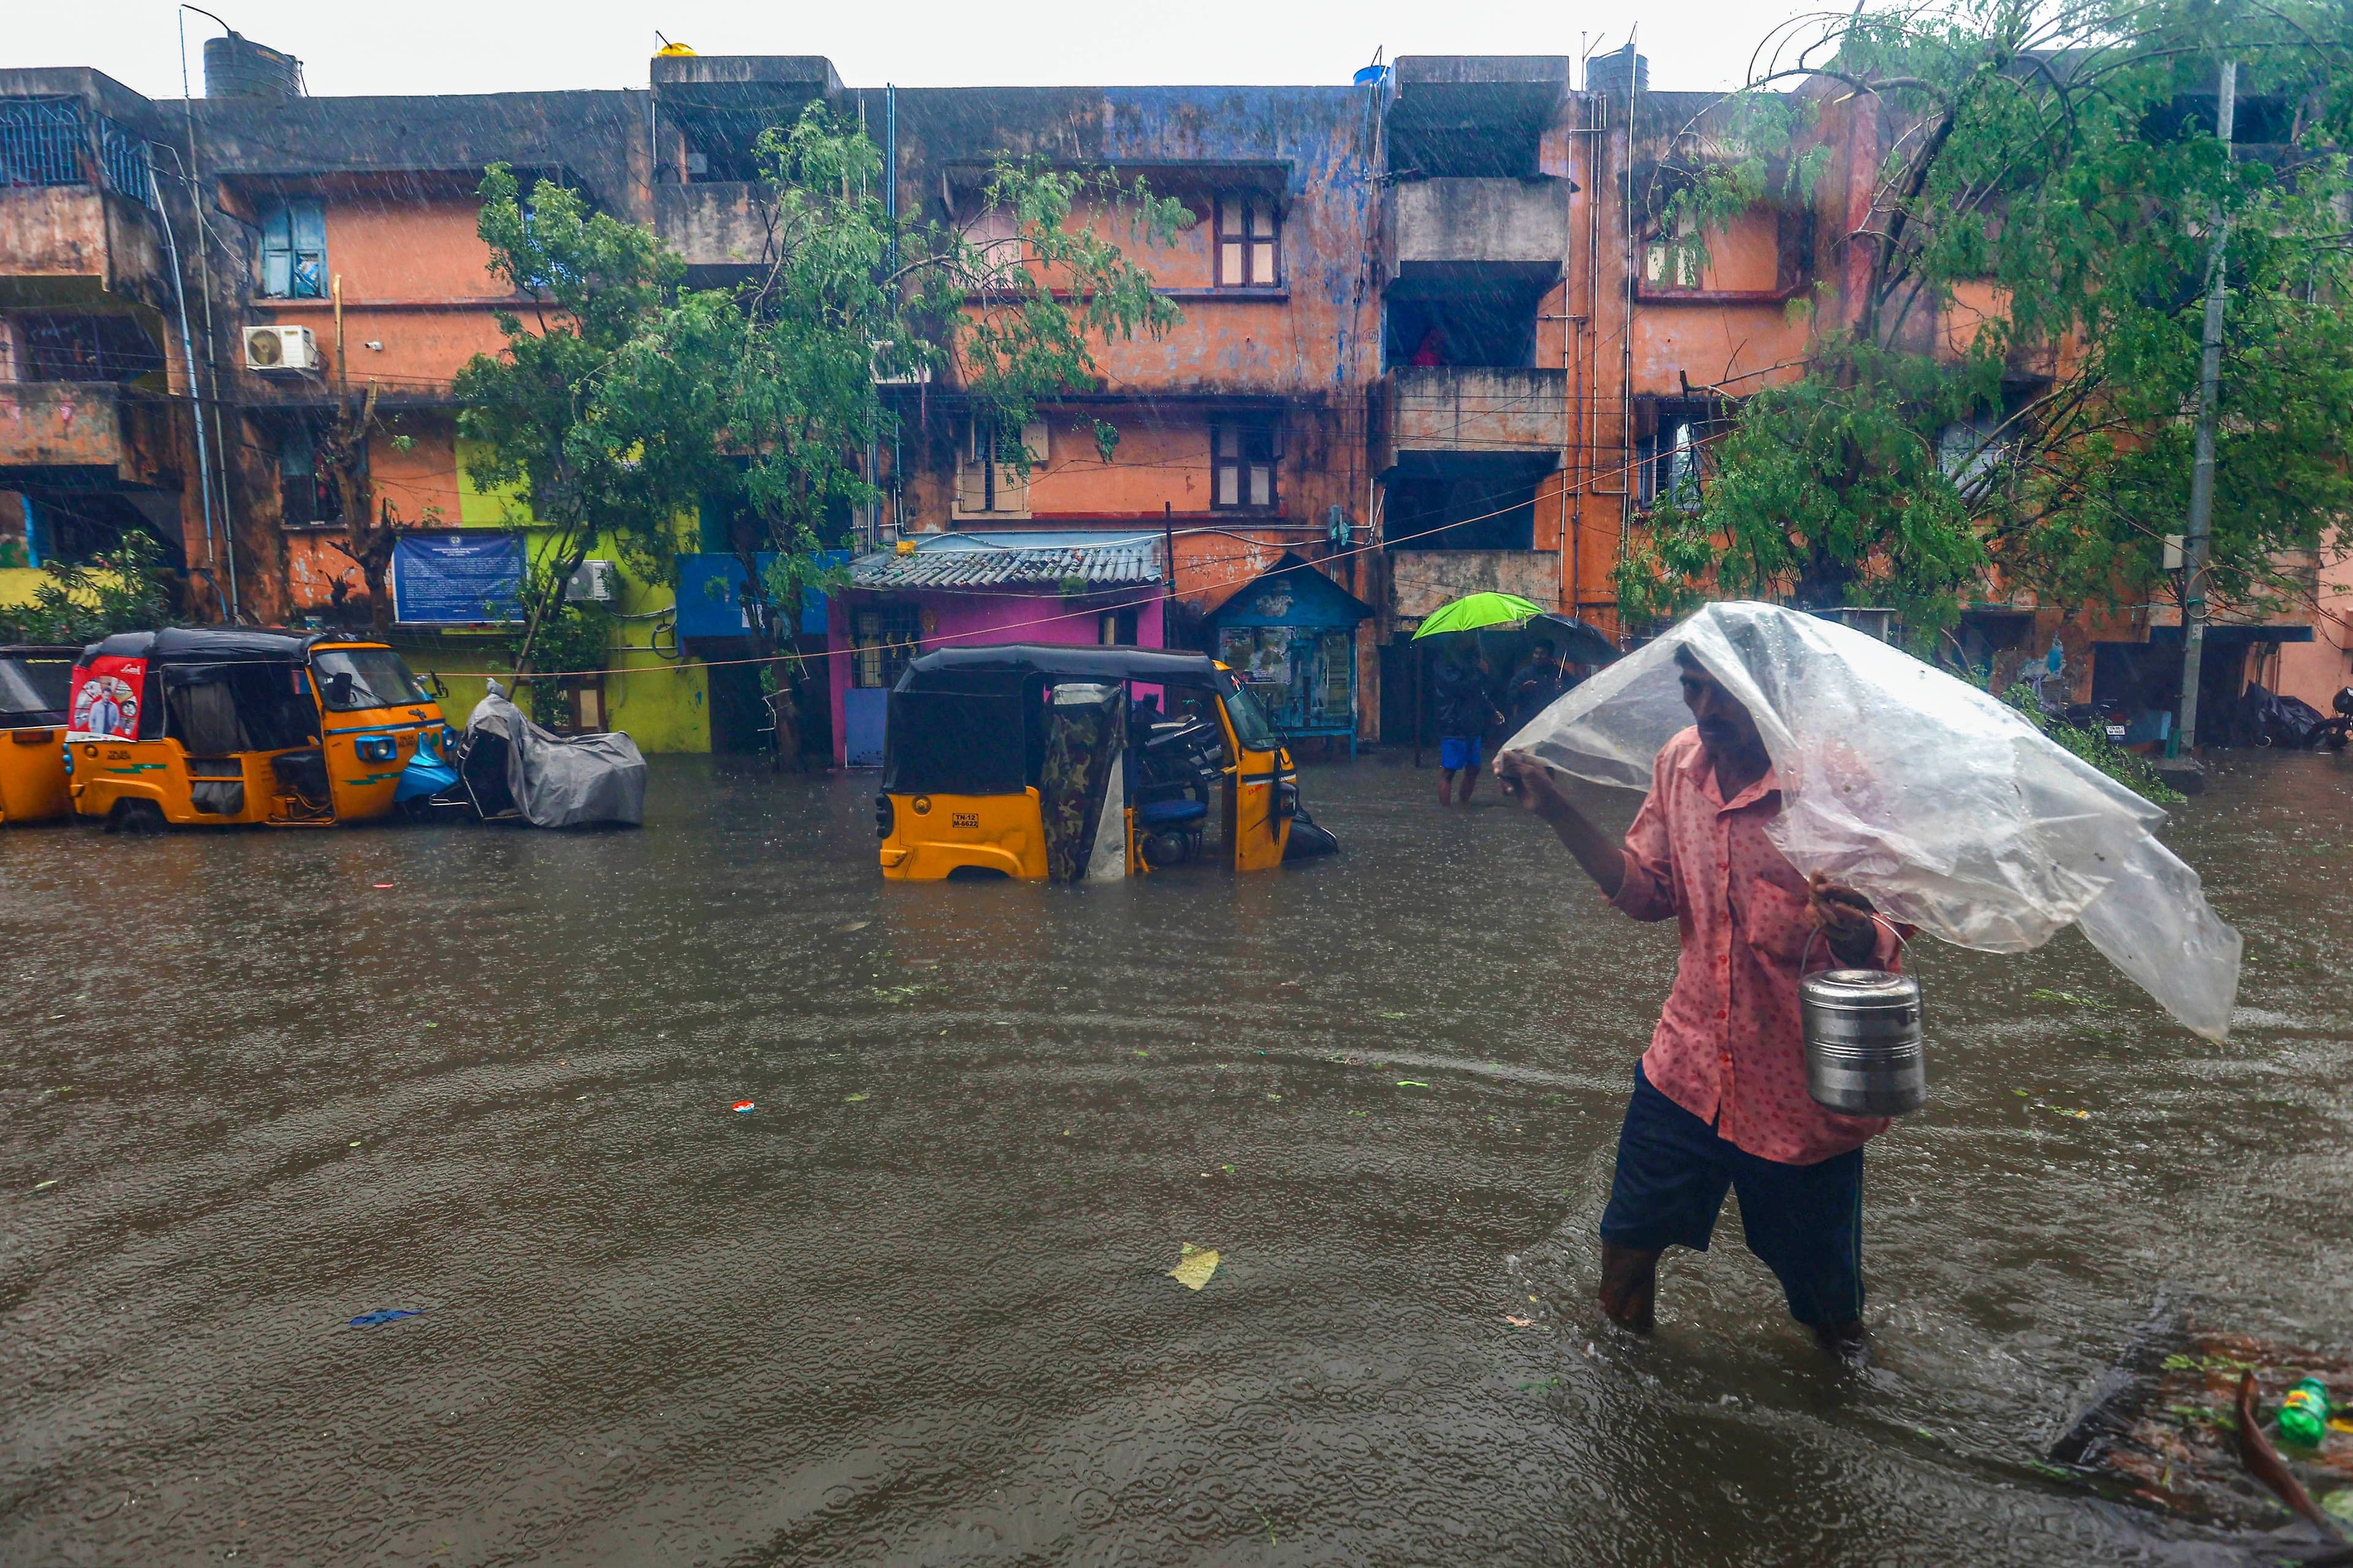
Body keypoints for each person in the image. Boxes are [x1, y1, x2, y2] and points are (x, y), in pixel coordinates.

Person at [1493, 644, 1899, 1358]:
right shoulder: (1679, 766)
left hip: (1800, 1098)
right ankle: (1627, 1409)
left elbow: (1894, 928)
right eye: (1692, 688)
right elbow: (1648, 892)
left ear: (1770, 693)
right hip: (1685, 1072)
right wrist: (1555, 809)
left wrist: (1857, 931)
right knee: (1625, 1259)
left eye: (1723, 693)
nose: (1705, 710)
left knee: (1831, 1317)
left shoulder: (1835, 785)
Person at [1433, 645, 1501, 806]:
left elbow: (1480, 692)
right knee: (1449, 771)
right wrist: (1480, 673)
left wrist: (1492, 710)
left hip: (1473, 724)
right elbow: (1459, 687)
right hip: (1454, 724)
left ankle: (1464, 806)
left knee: (1474, 768)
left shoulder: (1474, 658)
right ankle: (1446, 812)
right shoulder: (1445, 662)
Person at [1505, 640, 1569, 732]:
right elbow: (1510, 697)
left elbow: (1574, 692)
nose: (1538, 657)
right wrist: (1522, 690)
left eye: (1542, 654)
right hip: (1529, 722)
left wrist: (1563, 689)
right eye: (1536, 653)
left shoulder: (1560, 673)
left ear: (1550, 656)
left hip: (1553, 722)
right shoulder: (1525, 674)